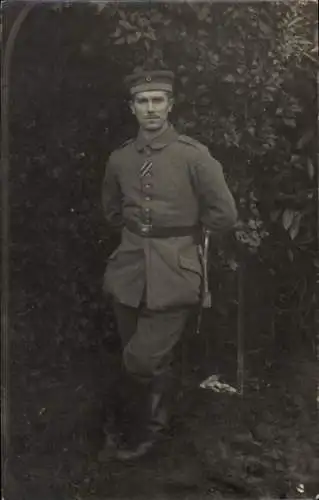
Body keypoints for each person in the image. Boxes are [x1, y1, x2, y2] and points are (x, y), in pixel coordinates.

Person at [101, 70, 237, 461]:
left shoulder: (193, 155)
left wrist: (180, 236)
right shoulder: (121, 158)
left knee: (141, 359)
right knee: (139, 355)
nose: (150, 109)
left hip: (175, 271)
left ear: (170, 104)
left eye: (158, 100)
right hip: (128, 270)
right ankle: (151, 422)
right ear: (132, 108)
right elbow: (112, 211)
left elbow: (224, 215)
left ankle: (144, 433)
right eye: (142, 101)